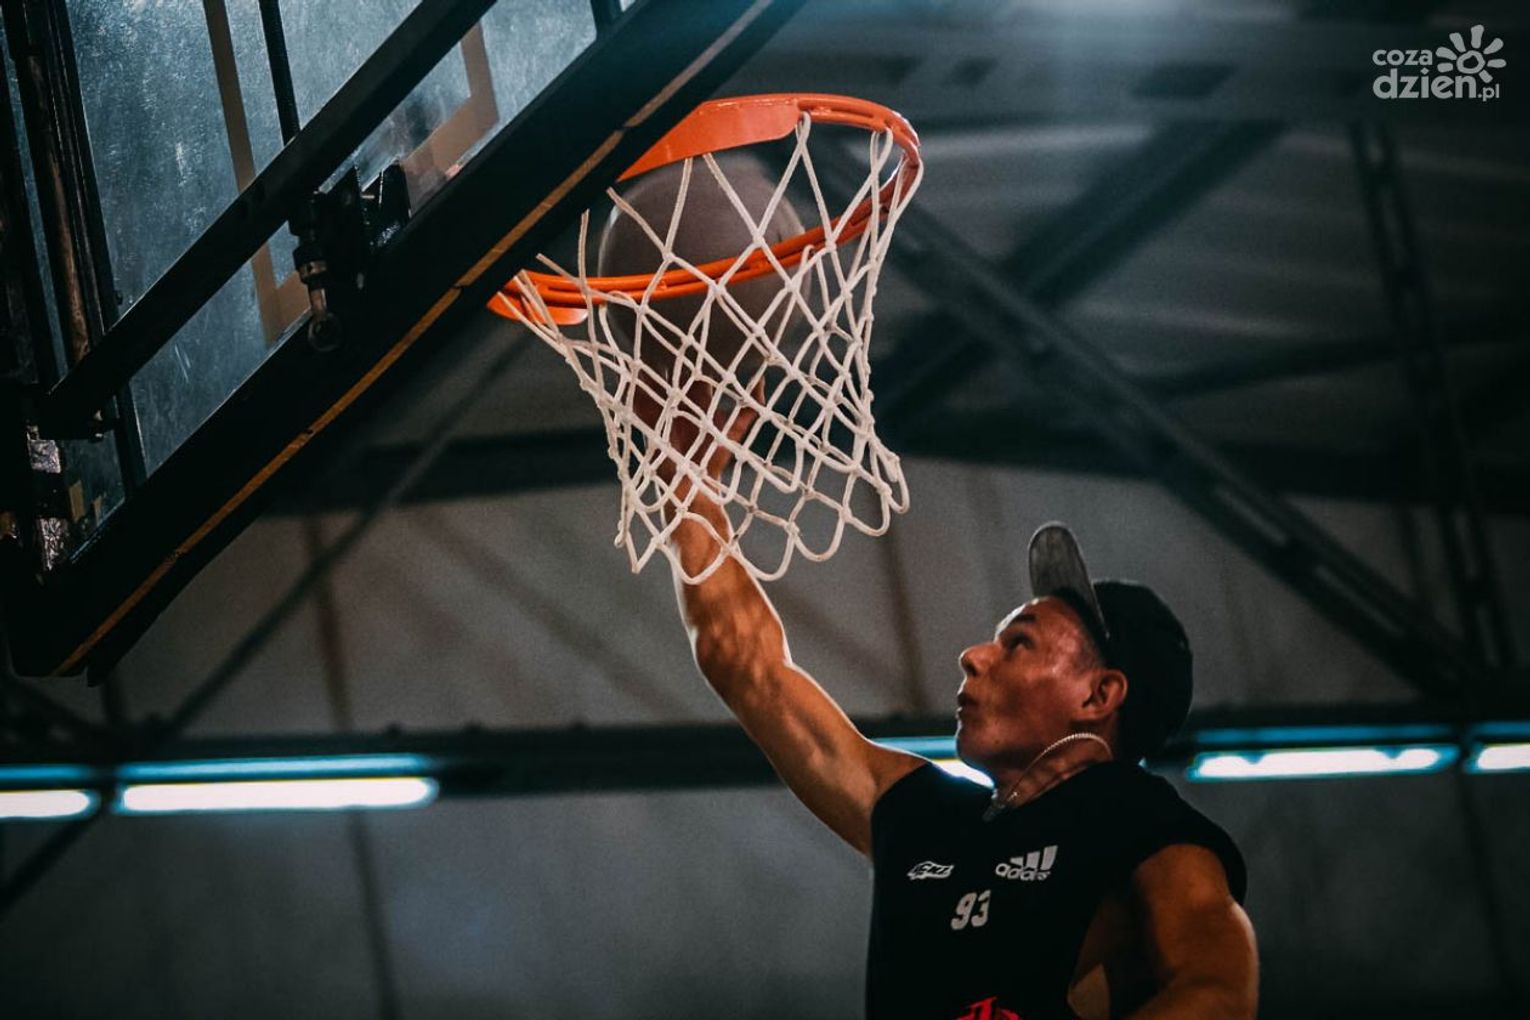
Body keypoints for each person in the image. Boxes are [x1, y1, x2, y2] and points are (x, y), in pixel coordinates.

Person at [661, 404, 1257, 1019]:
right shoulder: (920, 809)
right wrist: (689, 484)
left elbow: (1217, 995)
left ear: (1098, 696)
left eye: (1019, 643)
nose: (974, 656)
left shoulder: (1143, 818)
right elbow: (750, 669)